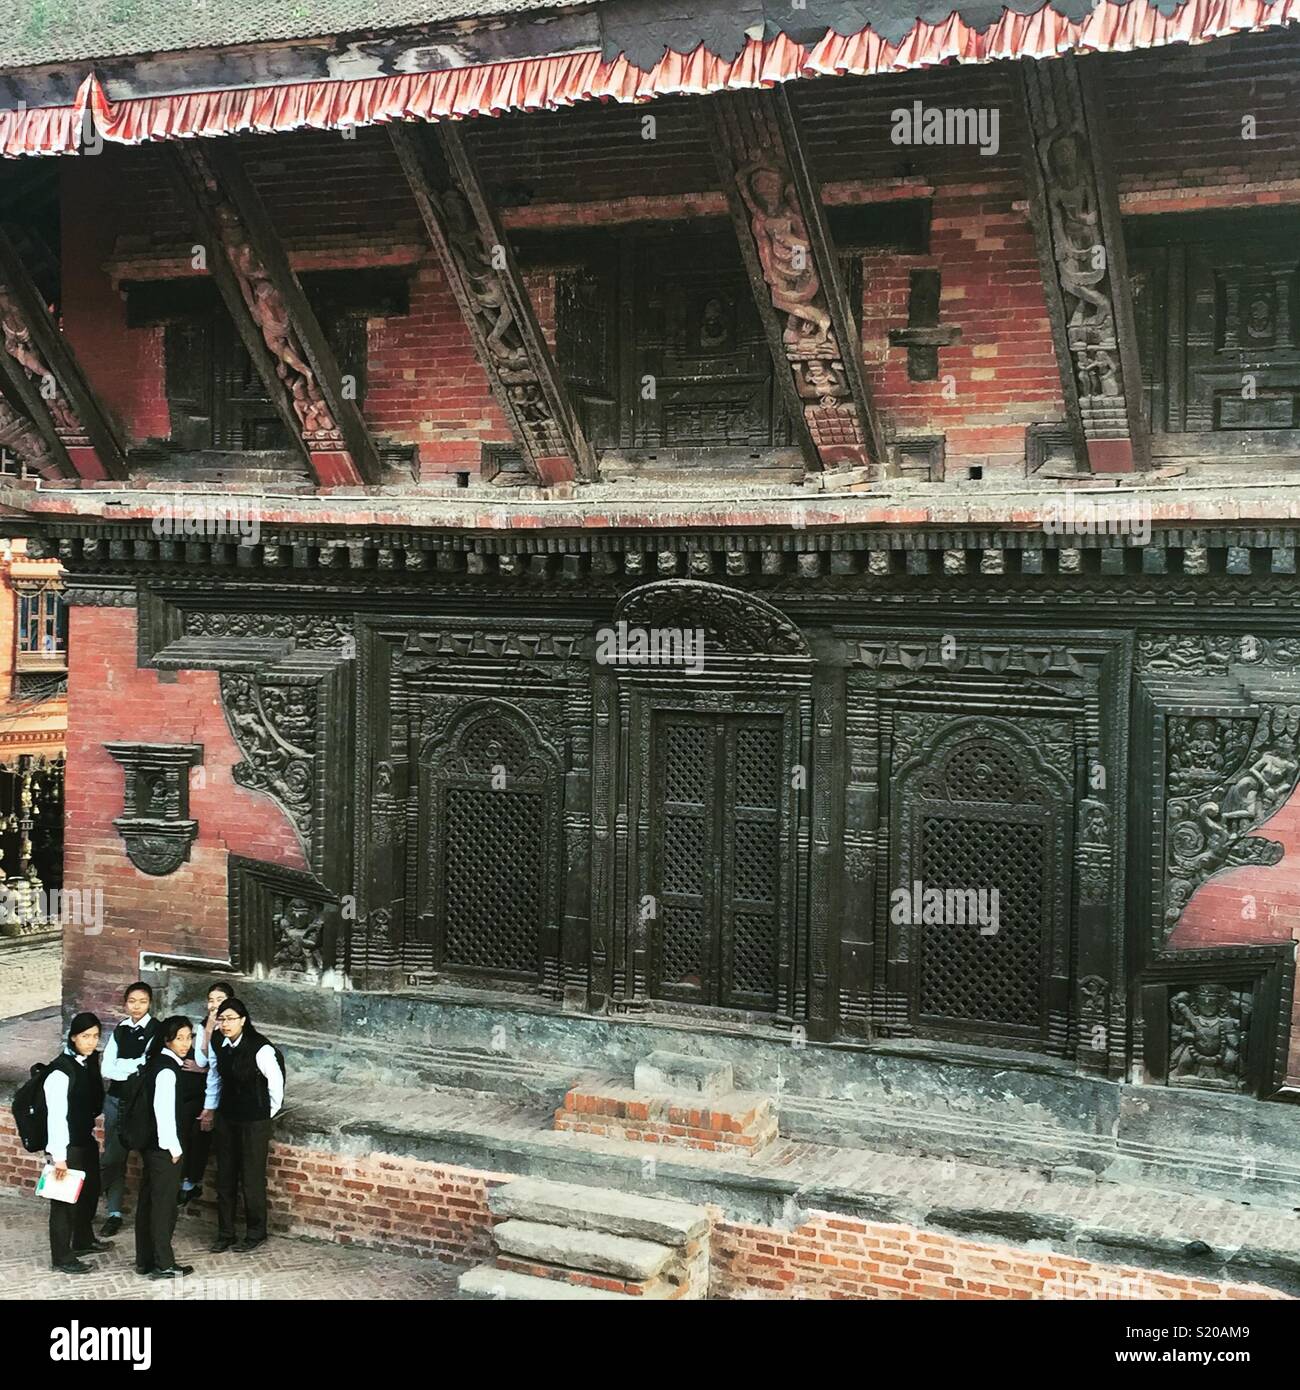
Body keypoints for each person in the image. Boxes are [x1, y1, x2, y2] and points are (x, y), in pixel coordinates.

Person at [204, 998, 283, 1253]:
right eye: (222, 1019)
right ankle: (225, 1233)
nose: (225, 1024)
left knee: (251, 1177)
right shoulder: (218, 1042)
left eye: (231, 1019)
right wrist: (211, 1108)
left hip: (253, 1121)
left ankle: (255, 1232)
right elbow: (215, 1076)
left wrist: (263, 1114)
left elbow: (276, 1086)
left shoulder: (260, 1049)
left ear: (243, 1020)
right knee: (225, 1176)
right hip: (227, 1117)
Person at [44, 1012, 109, 1274]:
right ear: (73, 1037)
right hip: (66, 1147)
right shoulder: (60, 1072)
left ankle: (83, 1239)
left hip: (84, 1139)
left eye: (95, 1036)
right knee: (63, 1204)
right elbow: (56, 1118)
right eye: (85, 1036)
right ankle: (62, 1257)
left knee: (88, 1193)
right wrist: (59, 1156)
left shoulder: (87, 1064)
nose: (91, 1042)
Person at [134, 1016, 198, 1279]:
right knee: (163, 1207)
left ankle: (146, 1260)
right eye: (180, 1038)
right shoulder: (167, 1071)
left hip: (153, 1147)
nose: (185, 1043)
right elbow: (164, 1112)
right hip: (163, 1149)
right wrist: (173, 1148)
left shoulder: (158, 1064)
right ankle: (163, 1263)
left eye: (189, 1037)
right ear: (167, 1039)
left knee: (149, 1203)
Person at [100, 982, 160, 1237]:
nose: (137, 1006)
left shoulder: (157, 1030)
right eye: (132, 1001)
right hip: (115, 1100)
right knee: (114, 1157)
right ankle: (113, 1212)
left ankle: (152, 1214)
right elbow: (106, 1069)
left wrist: (125, 1066)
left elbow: (145, 1066)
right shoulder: (120, 1030)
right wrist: (130, 1066)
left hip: (142, 1103)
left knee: (150, 1155)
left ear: (150, 1003)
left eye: (142, 1001)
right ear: (125, 1004)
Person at [178, 982, 232, 1209]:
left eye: (220, 999)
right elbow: (201, 1059)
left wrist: (206, 1069)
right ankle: (188, 1181)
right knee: (191, 1128)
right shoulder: (203, 1027)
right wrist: (210, 1026)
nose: (214, 1004)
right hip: (205, 1090)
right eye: (211, 1000)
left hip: (228, 1090)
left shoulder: (237, 1027)